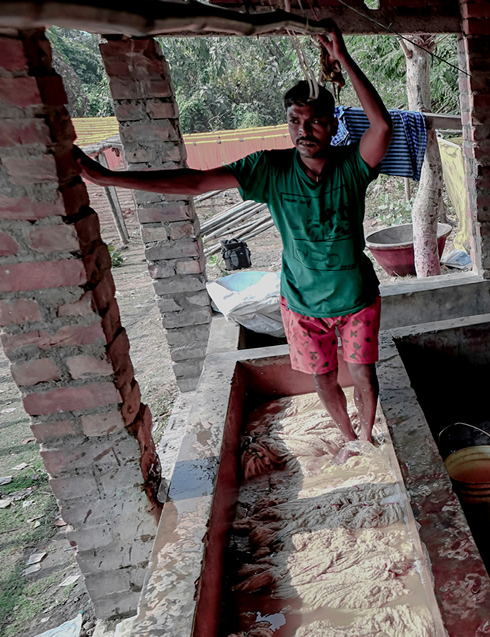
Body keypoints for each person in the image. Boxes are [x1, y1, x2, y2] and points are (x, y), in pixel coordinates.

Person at [75, 24, 393, 457]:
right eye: (295, 121)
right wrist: (109, 177)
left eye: (315, 121)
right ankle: (349, 440)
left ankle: (368, 438)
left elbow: (382, 125)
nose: (304, 130)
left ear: (332, 124)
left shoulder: (352, 166)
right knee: (322, 377)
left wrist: (343, 59)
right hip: (301, 304)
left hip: (356, 297)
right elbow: (195, 182)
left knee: (364, 374)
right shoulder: (270, 169)